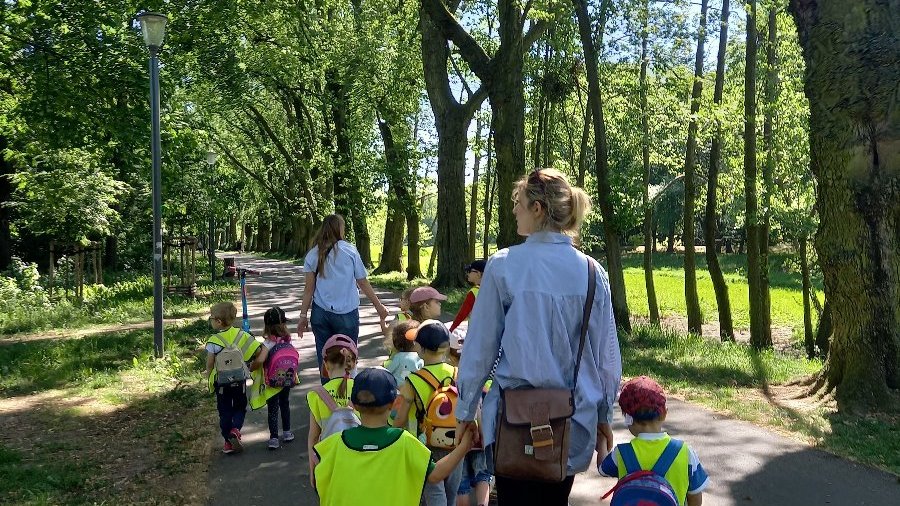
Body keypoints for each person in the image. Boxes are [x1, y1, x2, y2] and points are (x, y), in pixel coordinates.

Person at [455, 168, 622, 505]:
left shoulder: (504, 265)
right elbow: (606, 356)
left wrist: (465, 410)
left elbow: (479, 349)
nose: (514, 209)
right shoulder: (592, 271)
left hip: (510, 424)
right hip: (573, 421)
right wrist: (604, 414)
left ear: (538, 209)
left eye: (519, 203)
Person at [313, 367, 476, 506]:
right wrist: (463, 446)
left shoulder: (332, 445)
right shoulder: (404, 441)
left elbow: (317, 483)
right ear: (394, 403)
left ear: (353, 404)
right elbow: (436, 475)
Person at [297, 214, 389, 383]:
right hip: (347, 314)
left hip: (321, 313)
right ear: (339, 229)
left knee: (325, 358)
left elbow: (308, 289)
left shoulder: (312, 254)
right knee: (348, 357)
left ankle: (328, 397)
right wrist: (379, 307)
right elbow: (362, 282)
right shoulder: (350, 250)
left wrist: (303, 317)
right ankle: (347, 397)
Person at [598, 376, 709, 506]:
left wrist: (602, 440)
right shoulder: (685, 452)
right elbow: (695, 495)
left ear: (628, 419)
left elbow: (602, 468)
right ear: (664, 414)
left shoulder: (621, 453)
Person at [393, 320, 462, 506]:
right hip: (455, 443)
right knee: (451, 494)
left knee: (433, 490)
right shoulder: (456, 373)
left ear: (420, 349)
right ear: (447, 347)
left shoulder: (413, 380)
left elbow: (400, 420)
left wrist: (389, 428)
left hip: (424, 444)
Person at [204, 302, 263, 455]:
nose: (210, 321)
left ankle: (227, 441)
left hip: (221, 382)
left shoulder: (213, 341)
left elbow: (210, 363)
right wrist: (250, 364)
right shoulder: (241, 335)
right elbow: (257, 350)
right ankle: (236, 429)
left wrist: (208, 374)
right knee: (239, 406)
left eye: (211, 318)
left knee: (224, 410)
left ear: (218, 321)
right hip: (239, 380)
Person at [306, 334, 358, 482]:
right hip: (358, 458)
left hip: (330, 462)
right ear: (353, 363)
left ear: (325, 364)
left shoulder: (316, 395)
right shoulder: (360, 390)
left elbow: (314, 438)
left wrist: (313, 471)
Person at [254, 306, 296, 450]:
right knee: (285, 404)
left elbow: (260, 360)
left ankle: (273, 438)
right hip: (287, 379)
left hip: (272, 381)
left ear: (266, 326)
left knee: (273, 408)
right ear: (284, 324)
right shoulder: (287, 340)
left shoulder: (268, 343)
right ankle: (287, 432)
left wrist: (251, 367)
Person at [448, 260, 486, 333]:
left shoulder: (474, 292)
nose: (467, 273)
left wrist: (451, 330)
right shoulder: (494, 290)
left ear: (478, 274)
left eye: (469, 271)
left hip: (476, 332)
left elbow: (462, 314)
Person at [385, 320, 425, 385]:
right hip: (413, 389)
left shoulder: (398, 356)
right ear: (414, 342)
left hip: (396, 388)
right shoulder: (421, 358)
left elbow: (388, 372)